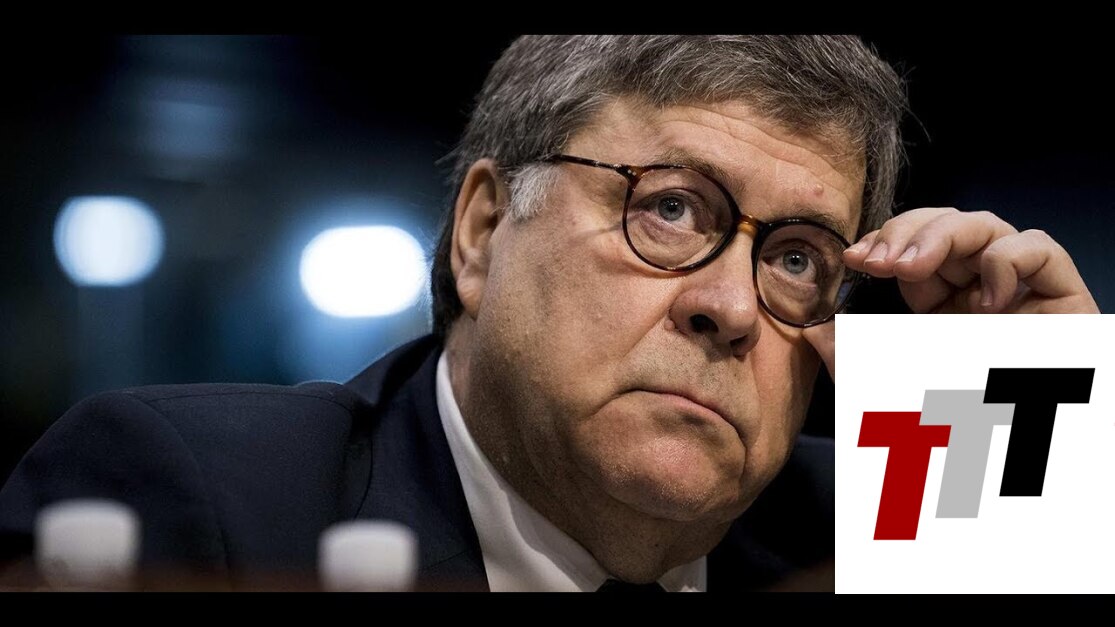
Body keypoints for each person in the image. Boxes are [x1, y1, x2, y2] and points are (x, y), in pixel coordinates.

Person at [0, 35, 1100, 592]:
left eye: (800, 258)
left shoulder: (868, 537)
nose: (729, 307)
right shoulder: (202, 499)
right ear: (482, 231)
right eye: (670, 208)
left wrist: (1024, 428)